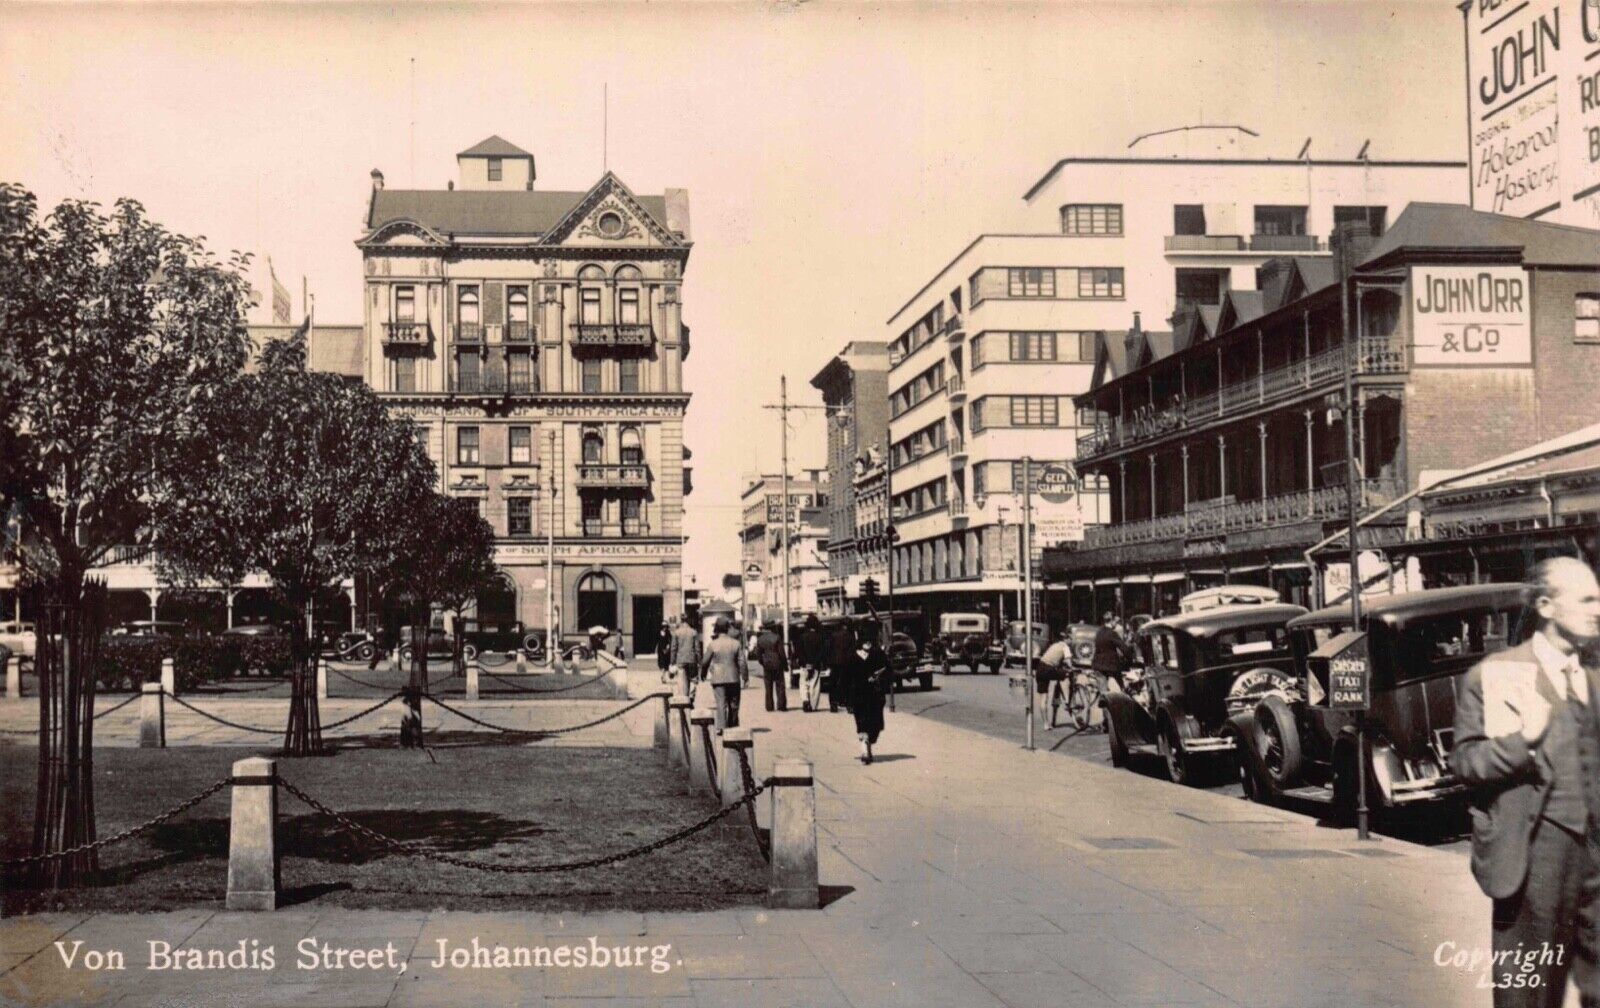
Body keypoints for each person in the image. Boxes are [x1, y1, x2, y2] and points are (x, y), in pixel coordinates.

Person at [1452, 556, 1600, 1007]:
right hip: (1535, 854)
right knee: (1530, 994)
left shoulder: (1594, 678)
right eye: (1587, 599)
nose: (1599, 609)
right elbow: (1466, 761)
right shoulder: (1500, 674)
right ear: (1545, 605)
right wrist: (1523, 741)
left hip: (1596, 856)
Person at [841, 621, 890, 763]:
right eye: (865, 640)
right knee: (862, 725)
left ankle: (869, 743)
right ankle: (864, 751)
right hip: (858, 696)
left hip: (875, 696)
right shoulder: (852, 657)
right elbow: (845, 679)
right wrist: (845, 699)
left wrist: (880, 677)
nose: (868, 643)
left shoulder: (878, 654)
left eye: (870, 640)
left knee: (875, 727)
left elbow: (888, 670)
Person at [699, 616, 749, 733]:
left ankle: (721, 727)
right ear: (727, 628)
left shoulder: (713, 644)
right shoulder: (735, 643)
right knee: (734, 703)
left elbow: (705, 661)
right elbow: (742, 662)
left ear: (716, 629)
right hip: (733, 677)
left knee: (720, 702)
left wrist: (703, 673)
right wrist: (745, 677)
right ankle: (733, 725)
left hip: (717, 678)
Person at [1036, 629, 1071, 727]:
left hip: (1040, 668)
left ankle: (1046, 724)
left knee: (1044, 698)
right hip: (1049, 669)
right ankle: (1067, 700)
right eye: (1070, 639)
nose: (1071, 642)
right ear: (1066, 639)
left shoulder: (1054, 645)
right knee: (1065, 676)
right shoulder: (1065, 647)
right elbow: (1069, 662)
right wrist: (1071, 668)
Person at [753, 621, 789, 712]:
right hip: (778, 664)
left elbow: (758, 654)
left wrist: (763, 662)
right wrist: (785, 665)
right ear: (773, 628)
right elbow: (782, 653)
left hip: (767, 665)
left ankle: (769, 706)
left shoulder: (760, 639)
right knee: (780, 685)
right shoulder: (777, 637)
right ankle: (781, 705)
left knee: (768, 686)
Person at [796, 613, 827, 712]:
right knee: (815, 683)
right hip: (816, 664)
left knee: (803, 682)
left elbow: (799, 651)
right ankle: (813, 705)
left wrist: (804, 662)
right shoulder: (820, 637)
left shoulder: (801, 637)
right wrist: (816, 662)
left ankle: (805, 700)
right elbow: (822, 652)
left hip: (804, 664)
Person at [824, 617, 856, 713]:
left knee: (833, 683)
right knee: (847, 683)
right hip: (847, 663)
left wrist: (828, 661)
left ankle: (833, 704)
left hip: (834, 662)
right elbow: (852, 650)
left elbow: (828, 648)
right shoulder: (851, 636)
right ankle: (848, 705)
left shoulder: (834, 635)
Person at [668, 613, 702, 698]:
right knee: (694, 679)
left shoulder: (676, 632)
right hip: (692, 659)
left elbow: (673, 648)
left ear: (681, 620)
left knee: (682, 680)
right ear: (688, 620)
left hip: (680, 659)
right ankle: (691, 696)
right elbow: (697, 648)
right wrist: (699, 660)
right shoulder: (694, 632)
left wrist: (672, 661)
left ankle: (683, 699)